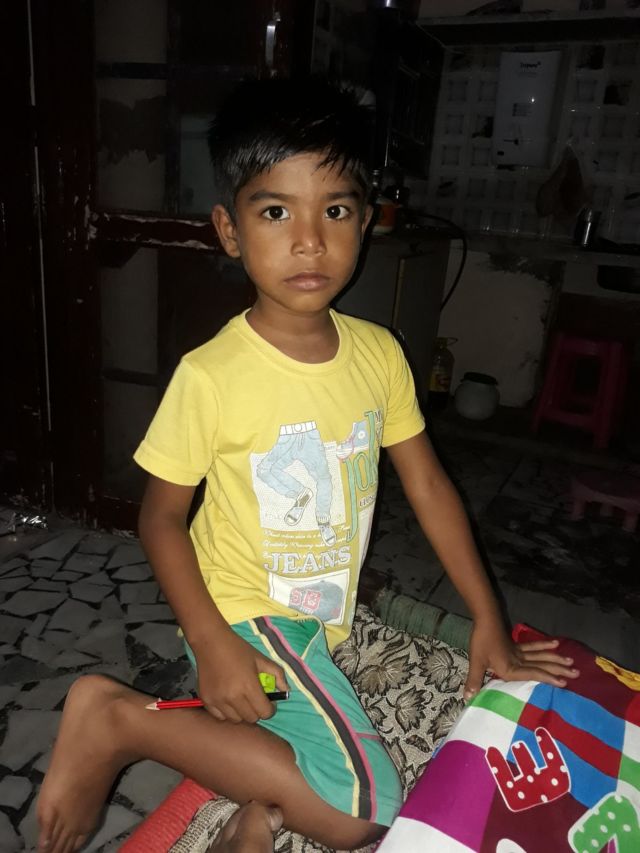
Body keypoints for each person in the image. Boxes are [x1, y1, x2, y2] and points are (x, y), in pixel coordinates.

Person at [36, 78, 579, 853]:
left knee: (300, 767)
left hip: (315, 618)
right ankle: (118, 718)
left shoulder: (380, 354)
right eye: (275, 212)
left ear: (367, 219)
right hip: (245, 612)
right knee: (363, 808)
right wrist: (212, 641)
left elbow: (428, 484)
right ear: (228, 230)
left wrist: (487, 617)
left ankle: (249, 823)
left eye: (336, 211)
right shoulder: (212, 374)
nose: (309, 241)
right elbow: (160, 517)